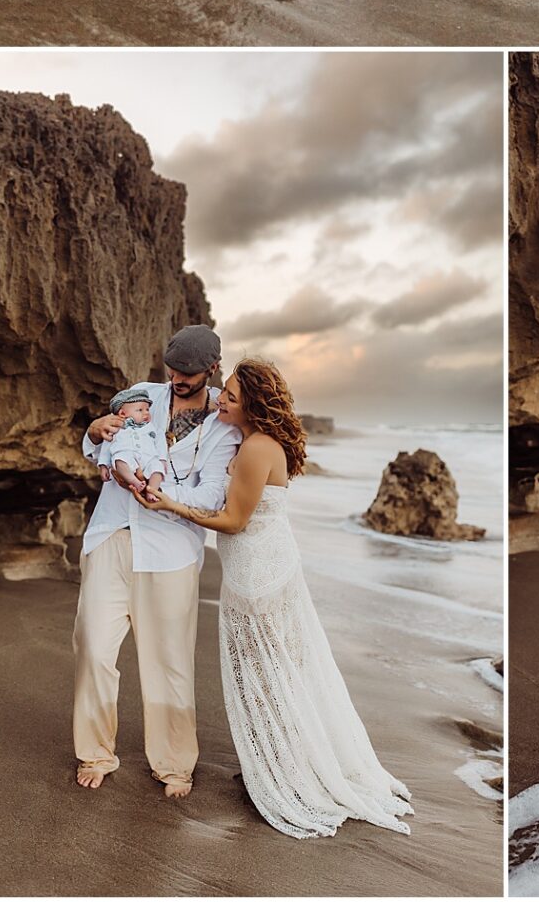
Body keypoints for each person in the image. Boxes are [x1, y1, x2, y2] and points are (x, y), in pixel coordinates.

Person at [151, 358, 412, 841]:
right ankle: (278, 762)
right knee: (279, 671)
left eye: (229, 394)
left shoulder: (254, 449)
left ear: (251, 401)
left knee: (263, 676)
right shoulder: (260, 442)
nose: (220, 399)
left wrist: (171, 505)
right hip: (272, 564)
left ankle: (278, 774)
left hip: (255, 574)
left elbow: (233, 522)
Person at [73, 323, 240, 798]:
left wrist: (164, 495)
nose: (177, 379)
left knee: (168, 660)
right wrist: (93, 431)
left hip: (171, 549)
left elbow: (212, 492)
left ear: (211, 369)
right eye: (173, 369)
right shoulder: (143, 394)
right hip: (112, 532)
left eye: (188, 373)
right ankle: (96, 752)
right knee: (92, 645)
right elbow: (103, 444)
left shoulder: (222, 425)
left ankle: (172, 763)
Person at [93, 386, 167, 492]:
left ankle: (152, 491)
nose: (146, 413)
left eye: (147, 409)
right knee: (120, 461)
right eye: (140, 410)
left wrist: (162, 459)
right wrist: (103, 465)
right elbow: (106, 446)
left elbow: (160, 442)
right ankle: (134, 481)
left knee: (157, 469)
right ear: (123, 413)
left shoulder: (151, 427)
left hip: (148, 457)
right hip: (126, 455)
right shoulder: (116, 427)